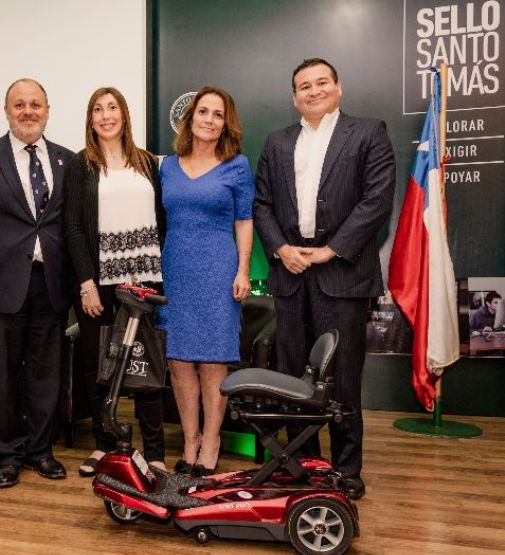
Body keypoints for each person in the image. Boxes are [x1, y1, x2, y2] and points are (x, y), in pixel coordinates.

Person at [254, 58, 396, 500]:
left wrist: (331, 250)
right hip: (292, 273)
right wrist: (281, 249)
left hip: (342, 273)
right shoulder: (277, 143)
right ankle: (306, 463)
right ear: (294, 96)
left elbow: (377, 201)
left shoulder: (369, 133)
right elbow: (261, 204)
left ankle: (346, 469)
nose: (313, 91)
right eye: (303, 86)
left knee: (342, 377)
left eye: (321, 83)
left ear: (339, 87)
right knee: (296, 376)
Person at [0, 78, 74, 488]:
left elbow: (71, 227)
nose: (28, 111)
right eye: (19, 104)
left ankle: (41, 451)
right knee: (2, 376)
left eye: (35, 104)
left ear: (47, 110)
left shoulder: (66, 160)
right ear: (7, 111)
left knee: (46, 376)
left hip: (52, 284)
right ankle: (7, 454)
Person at [63, 87, 166, 477]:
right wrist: (86, 283)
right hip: (99, 285)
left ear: (124, 115)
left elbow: (162, 219)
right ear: (90, 119)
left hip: (144, 282)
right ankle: (104, 446)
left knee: (146, 367)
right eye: (97, 110)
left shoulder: (147, 163)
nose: (106, 116)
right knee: (99, 367)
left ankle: (154, 451)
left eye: (112, 108)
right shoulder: (80, 165)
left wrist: (149, 263)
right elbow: (73, 227)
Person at [160, 86, 254, 477]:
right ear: (190, 117)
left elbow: (244, 221)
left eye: (218, 114)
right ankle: (190, 440)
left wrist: (244, 270)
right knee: (179, 361)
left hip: (218, 270)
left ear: (226, 123)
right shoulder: (166, 166)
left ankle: (212, 441)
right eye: (203, 112)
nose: (210, 120)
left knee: (213, 361)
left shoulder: (237, 165)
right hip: (175, 269)